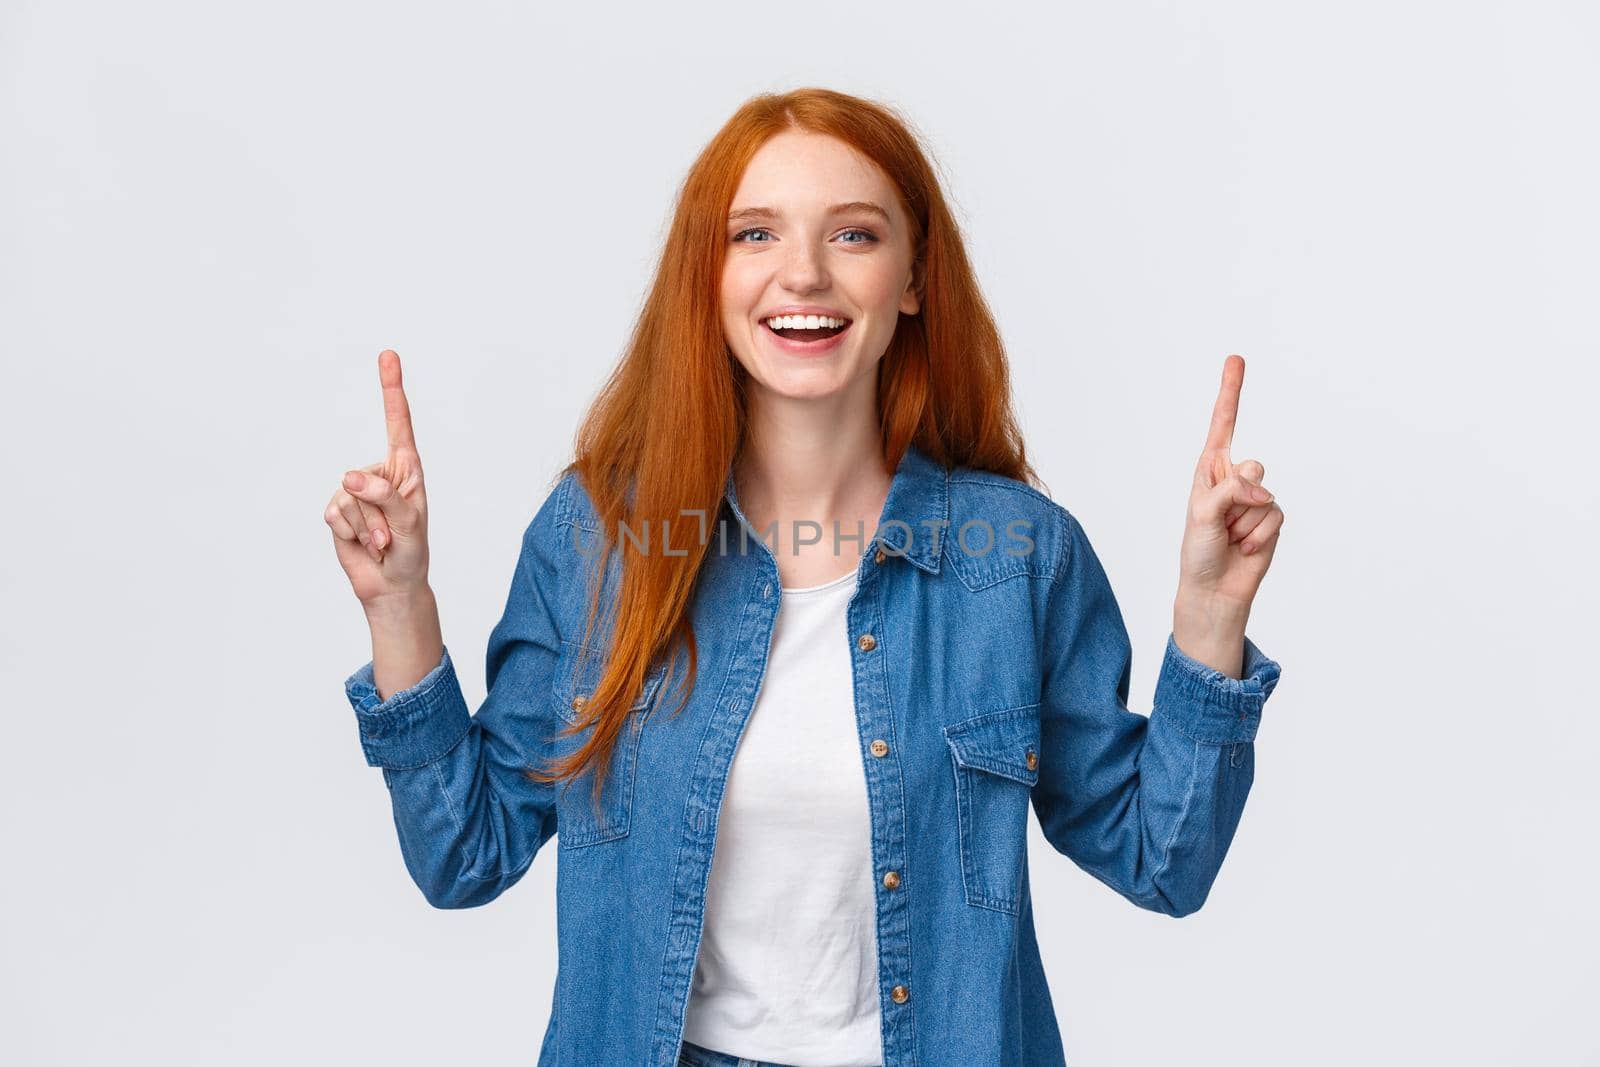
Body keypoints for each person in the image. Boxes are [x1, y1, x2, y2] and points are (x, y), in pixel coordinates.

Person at [324, 87, 1285, 1067]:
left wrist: (1210, 616)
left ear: (913, 277)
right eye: (754, 234)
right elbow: (464, 852)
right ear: (706, 275)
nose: (803, 273)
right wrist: (399, 605)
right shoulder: (597, 538)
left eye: (855, 235)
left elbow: (1162, 860)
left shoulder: (1016, 555)